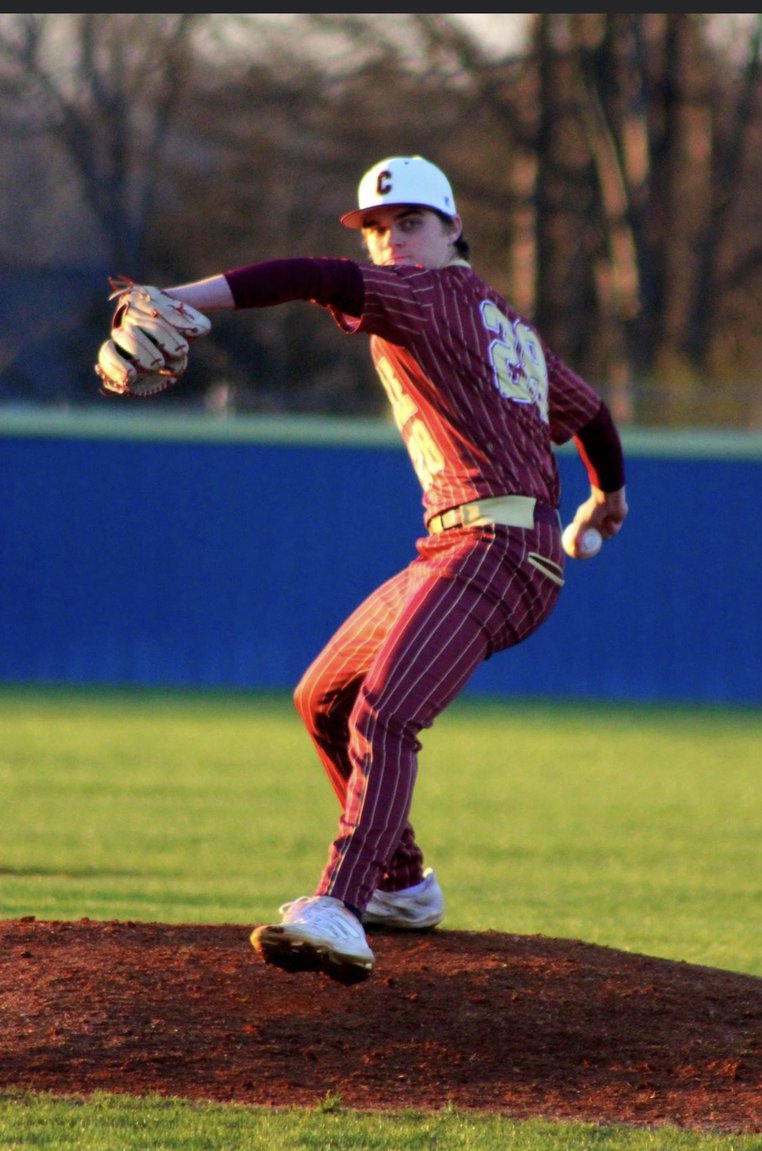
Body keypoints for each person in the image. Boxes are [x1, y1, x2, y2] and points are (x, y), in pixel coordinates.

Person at [156, 155, 628, 984]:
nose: (391, 242)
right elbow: (589, 411)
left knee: (385, 711)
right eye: (377, 229)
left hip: (498, 548)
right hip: (465, 546)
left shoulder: (431, 292)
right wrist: (610, 498)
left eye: (409, 222)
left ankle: (340, 903)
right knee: (324, 700)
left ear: (453, 232)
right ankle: (404, 887)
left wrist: (179, 300)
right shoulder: (499, 318)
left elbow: (313, 276)